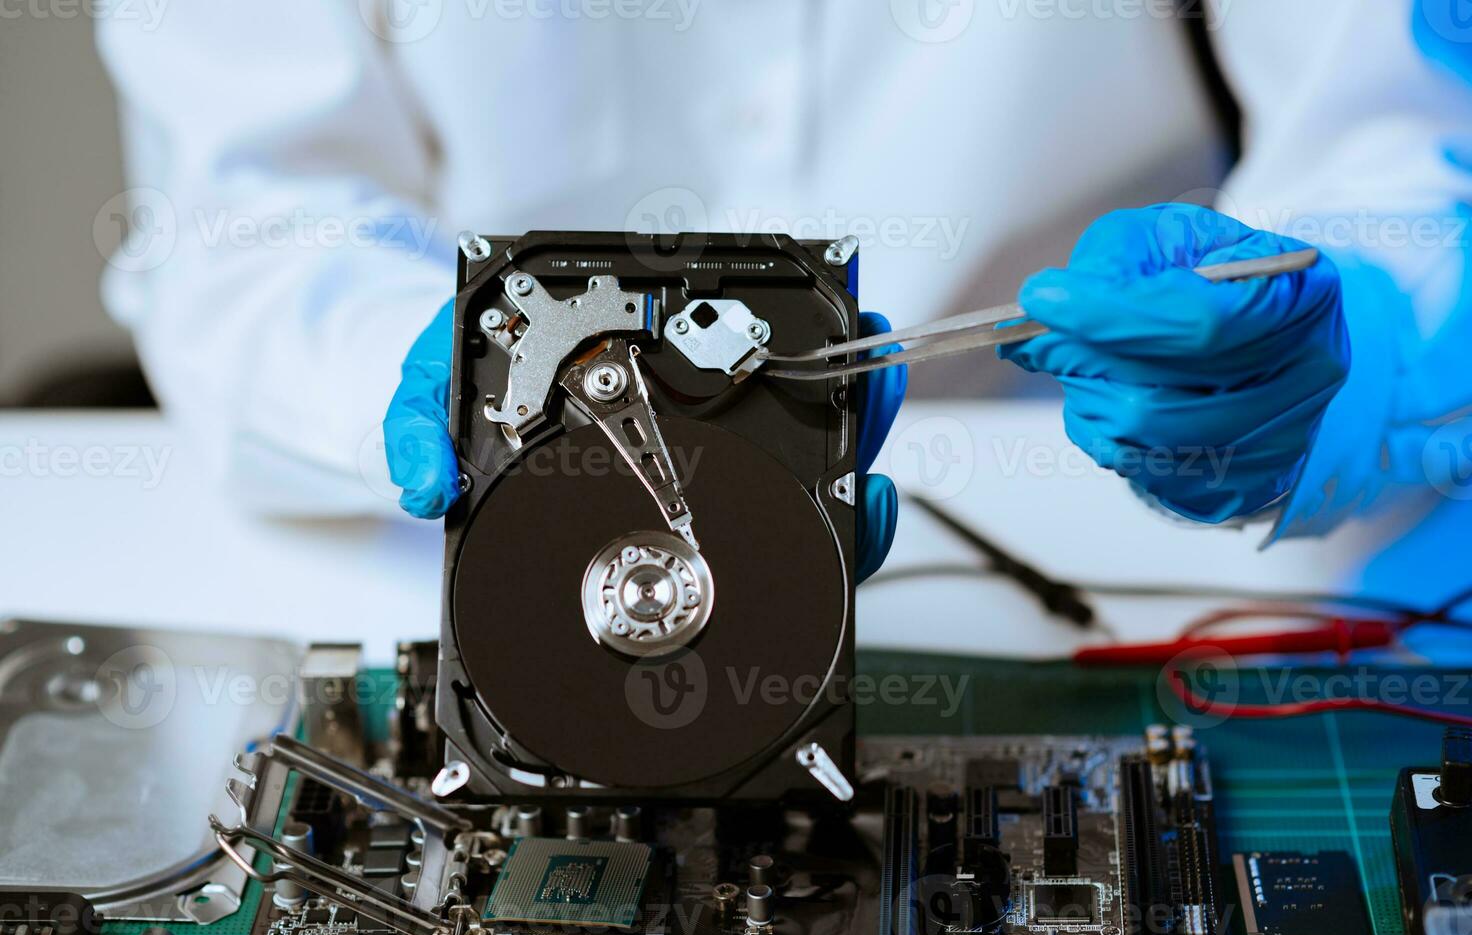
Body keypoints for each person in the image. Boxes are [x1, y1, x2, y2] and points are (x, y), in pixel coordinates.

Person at [96, 3, 1472, 598]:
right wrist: (425, 377)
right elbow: (241, 216)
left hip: (1075, 472)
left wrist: (1351, 335)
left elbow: (1399, 134)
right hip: (490, 514)